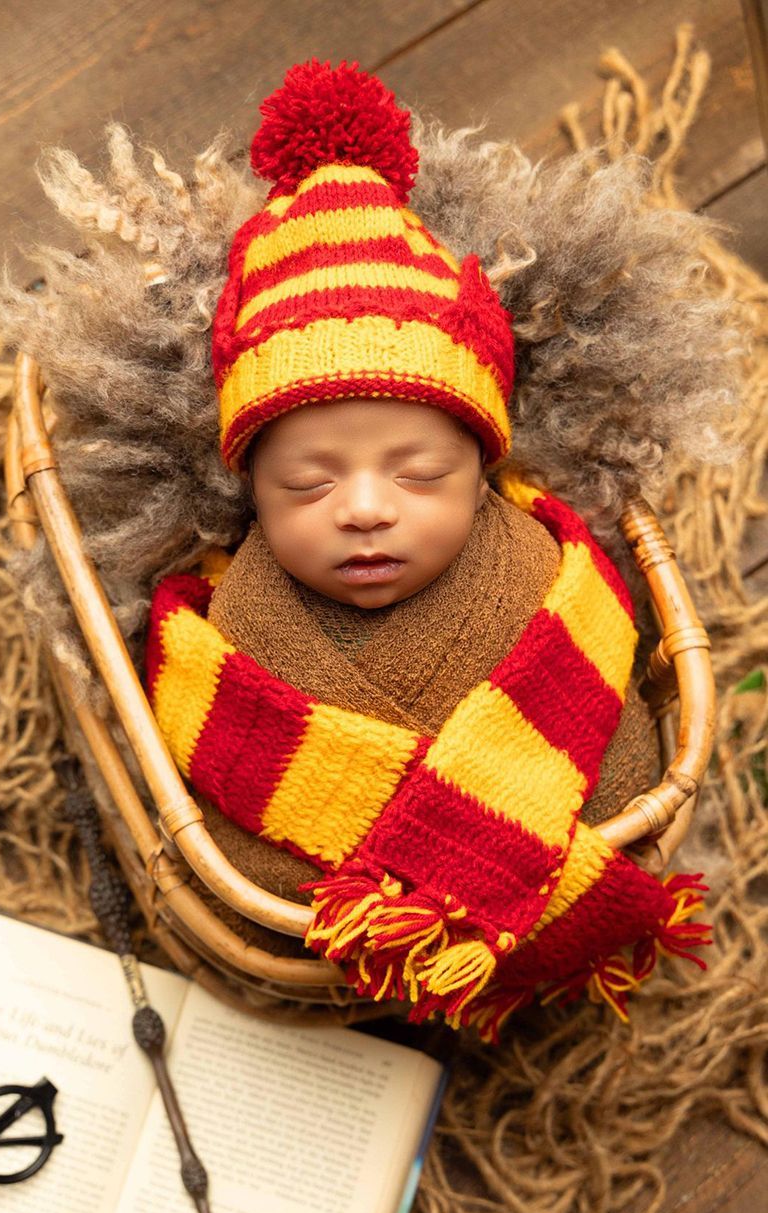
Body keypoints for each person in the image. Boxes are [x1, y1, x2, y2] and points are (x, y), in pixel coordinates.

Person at [143, 58, 711, 1040]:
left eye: (418, 474)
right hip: (374, 910)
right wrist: (457, 844)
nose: (363, 509)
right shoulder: (236, 624)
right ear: (249, 492)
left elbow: (610, 740)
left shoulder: (544, 577)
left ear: (484, 469)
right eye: (306, 484)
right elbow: (228, 803)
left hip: (407, 899)